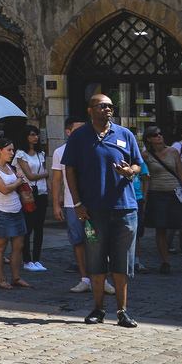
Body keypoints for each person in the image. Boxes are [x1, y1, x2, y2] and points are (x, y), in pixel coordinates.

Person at [63, 93, 145, 327]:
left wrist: (130, 171)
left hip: (125, 208)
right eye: (102, 106)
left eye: (110, 106)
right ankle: (97, 309)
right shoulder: (79, 137)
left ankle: (122, 311)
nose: (107, 109)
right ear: (90, 110)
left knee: (122, 262)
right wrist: (77, 203)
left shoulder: (124, 134)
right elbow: (69, 170)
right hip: (94, 210)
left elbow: (138, 163)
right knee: (96, 261)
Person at [51, 117, 111, 296]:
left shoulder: (95, 148)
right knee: (78, 241)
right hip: (71, 204)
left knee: (98, 241)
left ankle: (102, 278)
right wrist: (56, 204)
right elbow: (56, 180)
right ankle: (85, 278)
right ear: (68, 132)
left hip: (96, 203)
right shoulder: (60, 152)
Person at [142, 125, 182, 275]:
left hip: (175, 193)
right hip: (157, 194)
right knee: (161, 229)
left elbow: (181, 173)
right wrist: (144, 200)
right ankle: (165, 262)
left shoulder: (173, 151)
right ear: (149, 139)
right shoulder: (146, 156)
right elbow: (145, 178)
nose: (159, 136)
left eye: (160, 133)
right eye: (155, 135)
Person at [0, 137, 30, 289]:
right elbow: (3, 189)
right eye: (9, 150)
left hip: (16, 208)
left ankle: (16, 277)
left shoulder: (10, 167)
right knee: (0, 246)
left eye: (13, 149)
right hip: (1, 211)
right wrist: (18, 182)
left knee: (18, 245)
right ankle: (1, 278)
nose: (12, 153)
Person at [15, 125, 48, 273]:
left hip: (41, 191)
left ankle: (37, 258)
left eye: (36, 135)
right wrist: (45, 174)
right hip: (28, 192)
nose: (35, 137)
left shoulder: (41, 153)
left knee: (39, 227)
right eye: (32, 135)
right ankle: (27, 259)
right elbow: (30, 175)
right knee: (28, 226)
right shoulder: (21, 154)